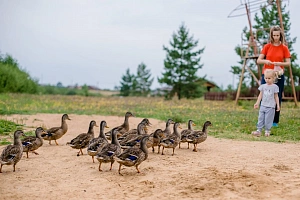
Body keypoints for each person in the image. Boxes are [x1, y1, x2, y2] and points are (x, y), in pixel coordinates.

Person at [256, 25, 291, 127]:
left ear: (280, 35)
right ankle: (262, 120)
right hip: (266, 75)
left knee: (277, 97)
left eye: (277, 35)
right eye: (274, 35)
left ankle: (275, 121)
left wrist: (278, 63)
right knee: (264, 95)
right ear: (271, 35)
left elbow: (288, 63)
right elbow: (259, 60)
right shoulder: (267, 46)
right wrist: (266, 60)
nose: (276, 37)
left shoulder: (284, 48)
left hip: (278, 75)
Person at [252, 69, 280, 137]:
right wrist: (257, 103)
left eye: (269, 78)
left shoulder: (275, 87)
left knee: (268, 119)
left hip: (271, 107)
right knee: (260, 118)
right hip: (263, 106)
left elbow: (276, 97)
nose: (267, 80)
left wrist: (278, 105)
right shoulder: (263, 86)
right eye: (266, 78)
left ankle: (267, 131)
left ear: (273, 78)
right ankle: (259, 130)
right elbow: (260, 95)